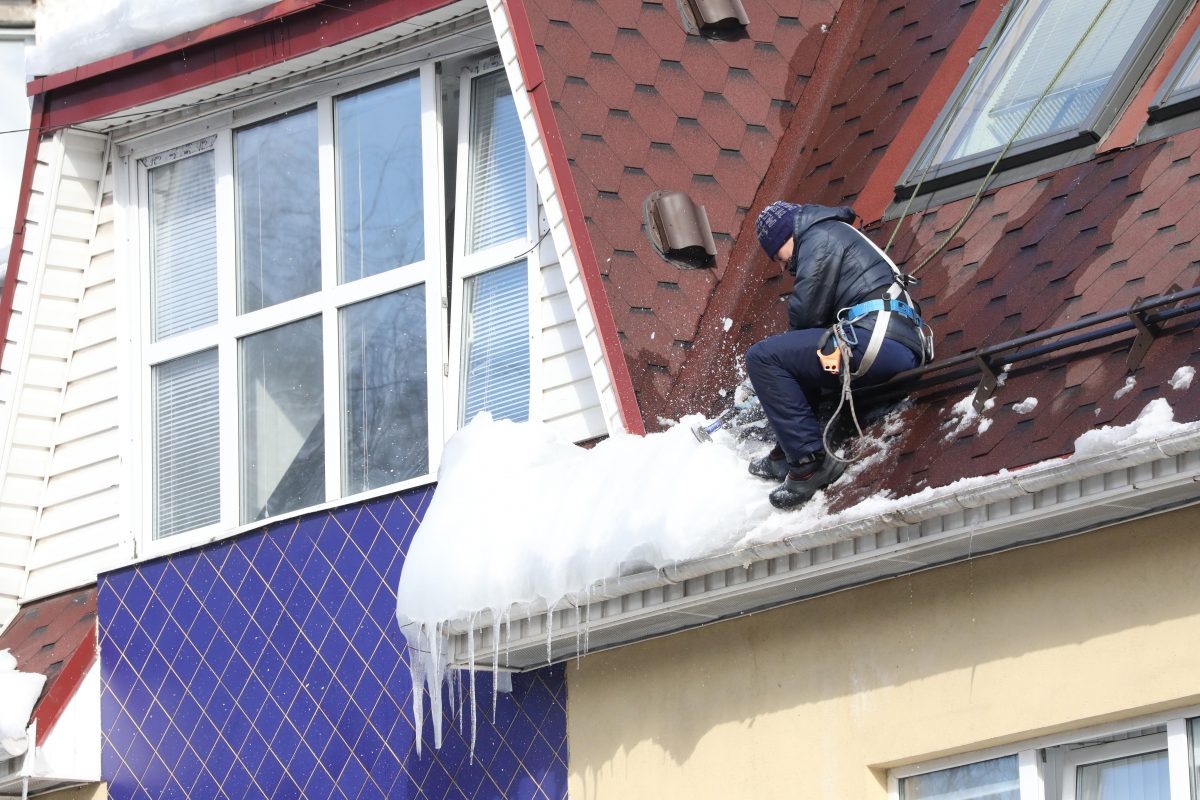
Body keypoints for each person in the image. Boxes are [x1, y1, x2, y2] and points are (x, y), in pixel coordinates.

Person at [745, 201, 931, 510]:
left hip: (879, 340)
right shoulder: (832, 232)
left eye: (778, 257)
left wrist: (772, 382)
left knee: (763, 357)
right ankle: (786, 452)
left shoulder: (819, 238)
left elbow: (805, 316)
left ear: (784, 237)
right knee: (791, 357)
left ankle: (809, 464)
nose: (783, 266)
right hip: (890, 340)